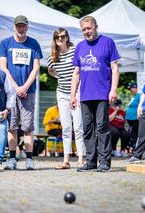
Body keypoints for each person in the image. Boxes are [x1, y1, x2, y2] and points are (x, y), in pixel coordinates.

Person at [70, 16, 120, 172]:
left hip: (102, 94)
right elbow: (76, 73)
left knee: (102, 127)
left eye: (89, 28)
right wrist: (73, 95)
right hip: (85, 95)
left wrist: (113, 89)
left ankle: (104, 162)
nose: (87, 32)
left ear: (96, 27)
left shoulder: (107, 42)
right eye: (84, 29)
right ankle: (91, 161)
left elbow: (115, 68)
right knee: (87, 129)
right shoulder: (80, 47)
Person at [0, 15, 43, 170]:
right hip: (10, 91)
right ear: (14, 27)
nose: (21, 28)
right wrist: (16, 87)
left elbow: (36, 68)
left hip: (28, 91)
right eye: (18, 26)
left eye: (23, 26)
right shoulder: (5, 43)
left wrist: (24, 87)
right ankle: (12, 158)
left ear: (27, 27)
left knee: (28, 126)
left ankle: (29, 159)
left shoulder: (34, 44)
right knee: (12, 126)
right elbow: (3, 67)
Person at [47, 28, 85, 169]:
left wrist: (76, 92)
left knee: (78, 126)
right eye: (57, 37)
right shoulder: (52, 56)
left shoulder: (75, 50)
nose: (60, 39)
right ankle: (66, 160)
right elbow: (50, 70)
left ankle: (81, 158)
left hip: (76, 92)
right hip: (62, 93)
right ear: (54, 39)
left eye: (63, 36)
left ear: (67, 37)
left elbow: (81, 70)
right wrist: (58, 77)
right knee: (66, 127)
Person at [125, 82, 140, 151]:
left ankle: (134, 150)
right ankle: (130, 149)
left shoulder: (139, 95)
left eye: (131, 88)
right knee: (129, 135)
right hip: (129, 120)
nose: (130, 90)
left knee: (134, 135)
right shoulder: (134, 97)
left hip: (135, 119)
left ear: (136, 88)